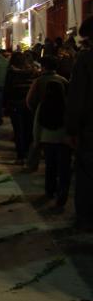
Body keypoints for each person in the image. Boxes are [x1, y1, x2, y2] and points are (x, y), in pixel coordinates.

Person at [66, 17, 93, 231]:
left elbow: (77, 98)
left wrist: (72, 129)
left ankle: (84, 219)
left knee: (85, 175)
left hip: (90, 129)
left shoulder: (85, 60)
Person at [36, 80, 71, 210]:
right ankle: (62, 195)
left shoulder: (43, 104)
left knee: (50, 167)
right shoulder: (67, 104)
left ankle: (49, 191)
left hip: (47, 140)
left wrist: (36, 140)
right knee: (64, 170)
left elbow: (37, 125)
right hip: (63, 141)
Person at [5, 52, 36, 164]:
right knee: (29, 128)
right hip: (29, 103)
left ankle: (21, 156)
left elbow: (7, 89)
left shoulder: (12, 72)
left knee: (18, 130)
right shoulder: (32, 72)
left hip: (16, 103)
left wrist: (6, 104)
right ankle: (28, 153)